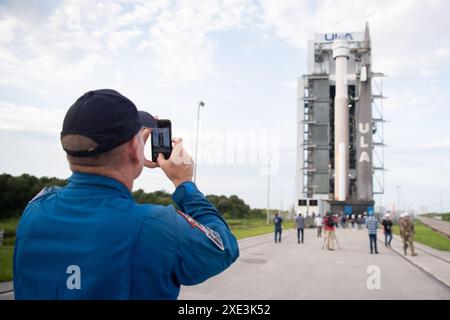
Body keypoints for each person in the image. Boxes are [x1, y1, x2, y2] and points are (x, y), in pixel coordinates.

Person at [13, 89, 239, 299]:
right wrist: (184, 183)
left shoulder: (36, 208)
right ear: (133, 148)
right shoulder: (157, 226)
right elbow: (224, 246)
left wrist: (131, 157)